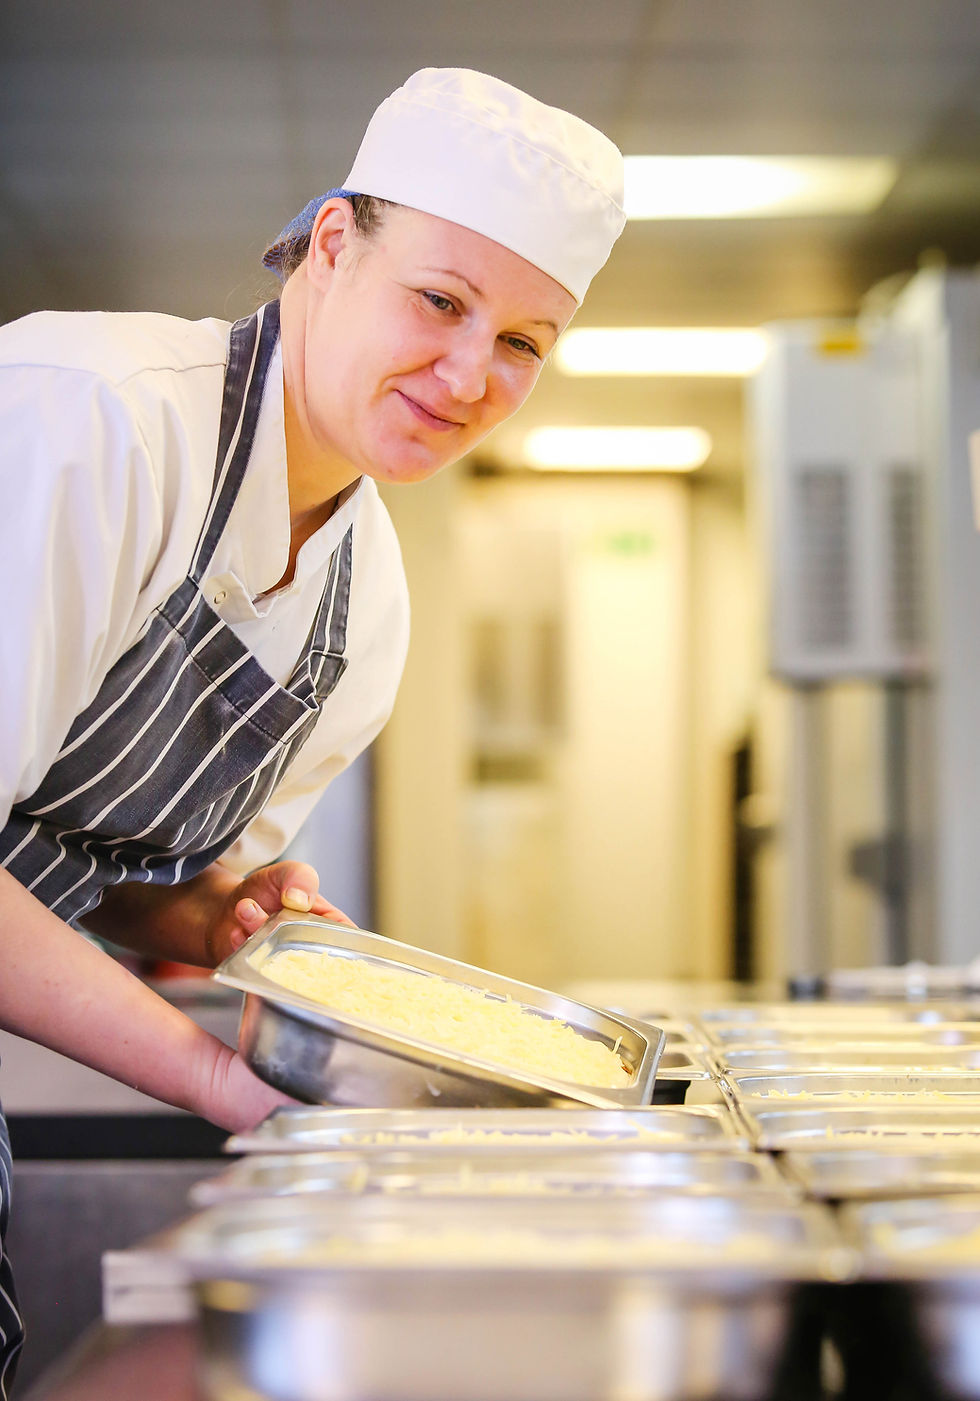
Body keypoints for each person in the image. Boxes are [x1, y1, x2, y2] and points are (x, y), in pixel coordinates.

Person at [0, 66, 625, 1389]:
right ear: (332, 245)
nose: (470, 374)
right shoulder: (88, 422)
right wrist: (220, 1078)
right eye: (442, 301)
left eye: (523, 341)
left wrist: (219, 915)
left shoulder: (368, 608)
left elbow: (77, 867)